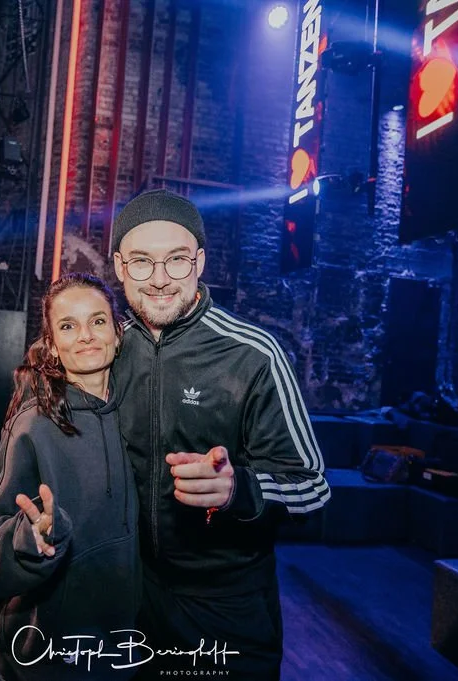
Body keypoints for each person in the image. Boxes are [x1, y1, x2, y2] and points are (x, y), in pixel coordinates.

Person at [110, 189, 331, 679]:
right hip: (127, 602)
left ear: (201, 262)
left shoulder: (254, 355)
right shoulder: (106, 351)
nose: (162, 279)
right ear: (121, 268)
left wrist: (239, 489)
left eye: (178, 260)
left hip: (225, 611)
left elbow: (314, 487)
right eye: (143, 262)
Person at [0, 273, 141, 681]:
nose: (85, 336)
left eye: (97, 321)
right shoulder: (34, 426)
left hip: (124, 651)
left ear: (117, 332)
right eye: (67, 325)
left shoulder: (138, 416)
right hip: (46, 659)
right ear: (54, 347)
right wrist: (30, 539)